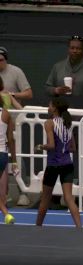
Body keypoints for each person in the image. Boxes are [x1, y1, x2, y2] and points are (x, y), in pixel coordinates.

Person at [45, 35, 83, 207]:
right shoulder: (58, 67)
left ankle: (82, 194)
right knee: (56, 154)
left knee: (81, 155)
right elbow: (47, 87)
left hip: (82, 120)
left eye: (78, 48)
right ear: (68, 48)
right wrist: (56, 89)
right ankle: (55, 193)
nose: (75, 50)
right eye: (72, 47)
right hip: (59, 120)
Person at [35, 97, 81, 228]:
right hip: (67, 164)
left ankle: (37, 226)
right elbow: (73, 148)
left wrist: (39, 146)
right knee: (69, 198)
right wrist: (64, 149)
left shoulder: (49, 123)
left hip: (54, 165)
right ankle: (80, 227)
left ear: (54, 108)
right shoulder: (67, 123)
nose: (48, 107)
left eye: (49, 105)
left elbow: (51, 145)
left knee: (45, 199)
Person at [0, 46, 32, 206]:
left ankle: (23, 192)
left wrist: (12, 95)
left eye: (1, 60)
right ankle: (3, 194)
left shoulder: (16, 72)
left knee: (16, 155)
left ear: (6, 59)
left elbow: (28, 93)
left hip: (13, 121)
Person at [0, 77, 19, 224]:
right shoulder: (6, 113)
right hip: (2, 155)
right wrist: (14, 160)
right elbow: (11, 140)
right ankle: (6, 213)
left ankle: (6, 213)